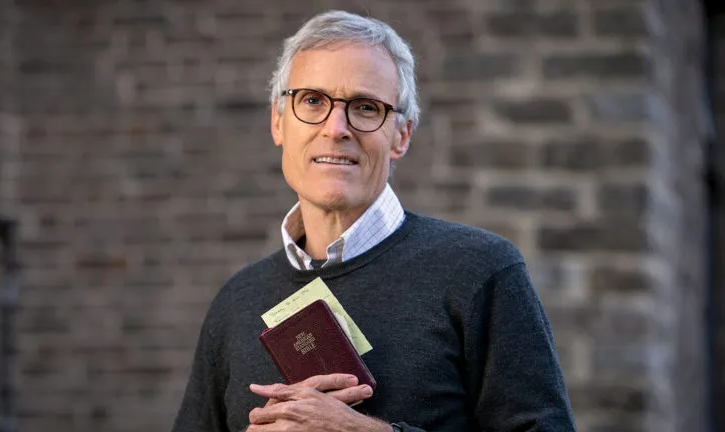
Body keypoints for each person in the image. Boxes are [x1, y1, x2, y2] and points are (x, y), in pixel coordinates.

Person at [172, 10, 576, 432]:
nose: (336, 128)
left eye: (365, 107)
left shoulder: (479, 271)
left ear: (401, 135)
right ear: (278, 121)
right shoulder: (237, 301)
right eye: (312, 100)